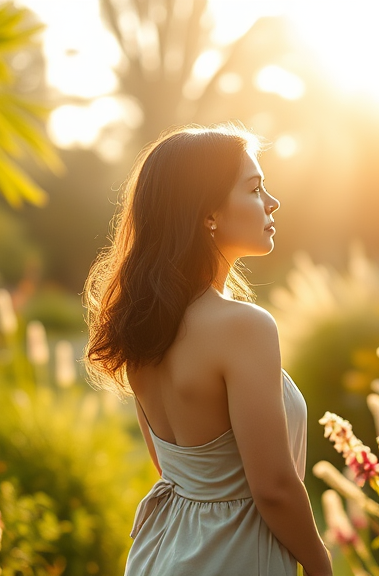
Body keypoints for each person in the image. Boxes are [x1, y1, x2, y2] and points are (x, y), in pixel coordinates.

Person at [83, 124, 332, 576]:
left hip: (161, 553)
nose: (272, 202)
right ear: (207, 213)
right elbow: (274, 487)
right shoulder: (244, 326)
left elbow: (172, 470)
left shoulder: (139, 324)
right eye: (255, 188)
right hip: (234, 555)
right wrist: (322, 566)